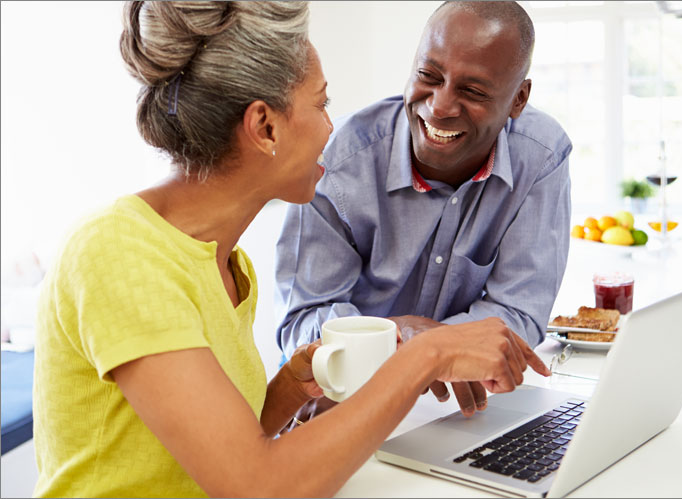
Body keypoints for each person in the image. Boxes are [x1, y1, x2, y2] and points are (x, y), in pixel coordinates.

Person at [31, 2, 551, 497]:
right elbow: (258, 486)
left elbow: (215, 454)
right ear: (265, 127)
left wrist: (290, 388)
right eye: (321, 104)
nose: (332, 128)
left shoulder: (226, 265)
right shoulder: (121, 254)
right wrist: (426, 353)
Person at [275, 0, 572, 423]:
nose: (440, 106)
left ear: (518, 99)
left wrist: (433, 349)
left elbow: (519, 313)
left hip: (453, 409)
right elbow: (302, 322)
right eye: (428, 77)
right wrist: (413, 343)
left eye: (473, 91)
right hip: (343, 403)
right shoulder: (338, 160)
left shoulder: (541, 156)